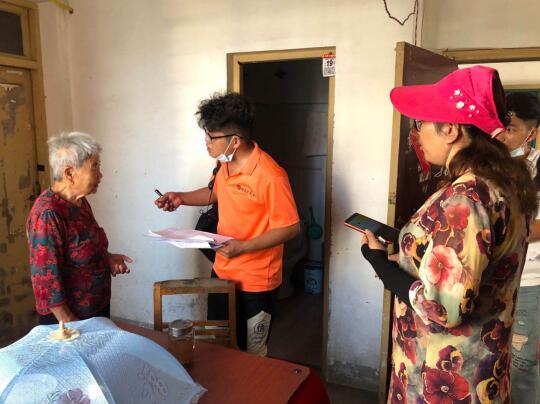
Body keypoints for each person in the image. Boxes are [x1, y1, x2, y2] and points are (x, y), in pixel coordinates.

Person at [360, 66, 537, 403]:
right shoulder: (504, 184)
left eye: (421, 123)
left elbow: (443, 310)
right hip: (482, 365)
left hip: (443, 377)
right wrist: (411, 258)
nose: (417, 135)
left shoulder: (465, 199)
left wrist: (380, 264)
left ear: (451, 129)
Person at [155, 92, 300, 355]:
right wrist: (180, 197)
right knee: (219, 344)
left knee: (251, 354)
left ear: (235, 141)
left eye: (212, 137)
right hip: (222, 270)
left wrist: (243, 247)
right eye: (206, 135)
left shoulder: (270, 175)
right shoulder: (225, 164)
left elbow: (290, 227)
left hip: (257, 280)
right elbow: (216, 193)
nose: (206, 142)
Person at [27, 132, 132, 325]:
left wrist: (107, 258)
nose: (101, 174)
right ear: (69, 173)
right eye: (95, 167)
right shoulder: (48, 214)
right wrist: (73, 325)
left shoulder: (80, 202)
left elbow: (84, 246)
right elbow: (46, 282)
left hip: (95, 309)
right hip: (70, 321)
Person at [495, 91, 540, 404]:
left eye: (510, 129)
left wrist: (494, 236)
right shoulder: (490, 166)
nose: (500, 136)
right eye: (497, 127)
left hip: (528, 282)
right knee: (492, 357)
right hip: (492, 279)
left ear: (532, 133)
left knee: (522, 365)